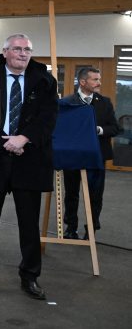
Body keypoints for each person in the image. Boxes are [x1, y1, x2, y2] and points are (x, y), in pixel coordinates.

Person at [0, 34, 58, 300]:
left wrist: (23, 138)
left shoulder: (45, 80)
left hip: (29, 159)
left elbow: (48, 118)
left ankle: (30, 276)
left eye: (27, 49)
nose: (22, 53)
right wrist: (3, 142)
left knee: (29, 225)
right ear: (5, 51)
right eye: (17, 48)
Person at [62, 67, 119, 239]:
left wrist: (99, 130)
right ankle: (71, 228)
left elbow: (115, 128)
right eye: (95, 79)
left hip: (96, 156)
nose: (99, 83)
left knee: (95, 195)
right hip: (72, 156)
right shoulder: (67, 102)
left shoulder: (105, 102)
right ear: (82, 82)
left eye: (99, 79)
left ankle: (91, 230)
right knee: (71, 193)